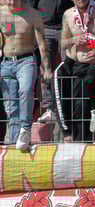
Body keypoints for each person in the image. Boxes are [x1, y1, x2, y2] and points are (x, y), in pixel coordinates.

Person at [56, 0, 95, 141]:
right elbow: (63, 43)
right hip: (79, 63)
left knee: (91, 81)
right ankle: (80, 141)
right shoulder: (68, 14)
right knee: (79, 104)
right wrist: (74, 39)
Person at [0, 0, 51, 151]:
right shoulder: (1, 13)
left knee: (26, 91)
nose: (11, 2)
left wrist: (47, 68)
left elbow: (42, 44)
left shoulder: (33, 15)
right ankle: (15, 141)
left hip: (26, 60)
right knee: (11, 105)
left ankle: (25, 128)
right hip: (6, 62)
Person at [30, 0, 72, 125]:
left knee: (68, 66)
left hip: (66, 26)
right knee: (45, 69)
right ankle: (49, 108)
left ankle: (68, 104)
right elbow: (31, 5)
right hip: (45, 27)